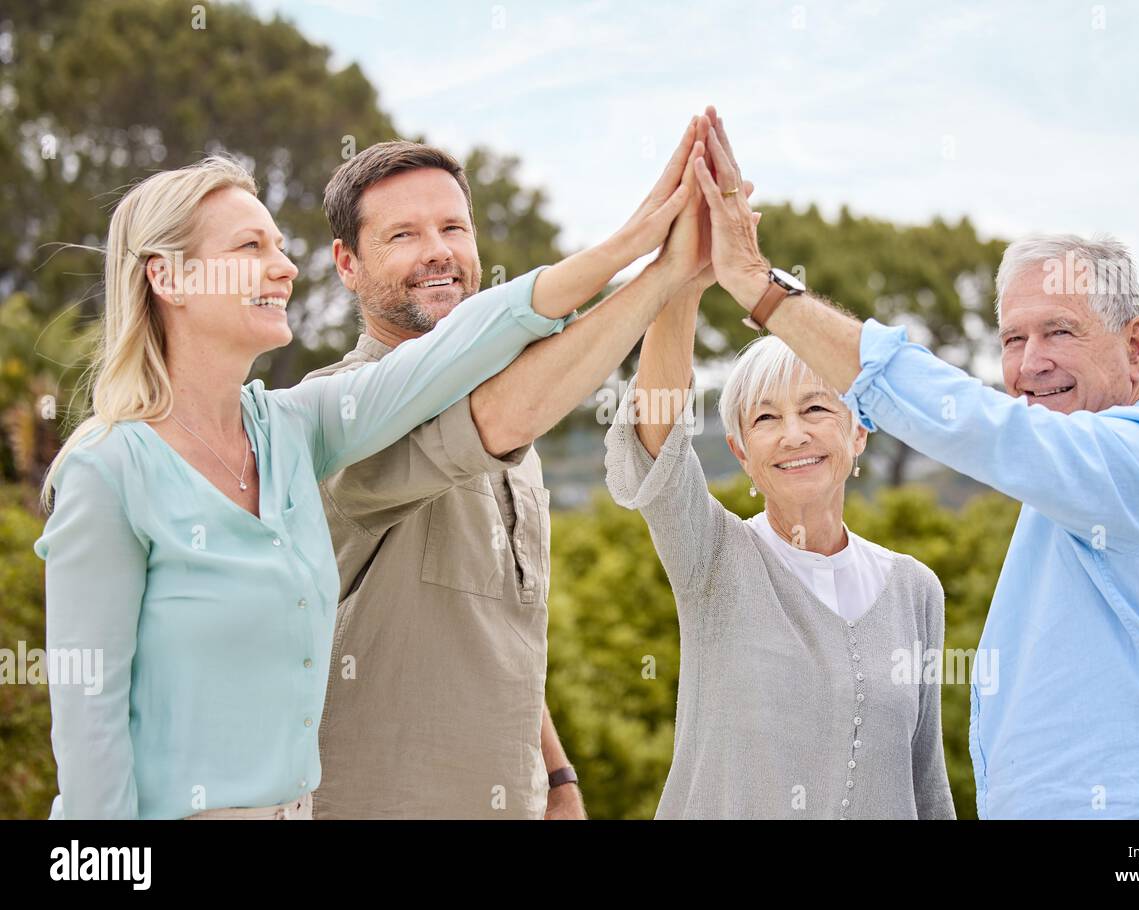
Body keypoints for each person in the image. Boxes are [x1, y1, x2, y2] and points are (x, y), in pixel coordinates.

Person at [34, 151, 683, 819]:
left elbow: (461, 346)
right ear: (167, 278)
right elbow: (90, 742)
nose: (285, 267)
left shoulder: (292, 432)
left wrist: (645, 254)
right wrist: (655, 263)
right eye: (251, 246)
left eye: (280, 246)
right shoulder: (107, 475)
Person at [691, 106, 1139, 819]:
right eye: (1013, 339)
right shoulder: (1073, 492)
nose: (1030, 364)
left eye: (1059, 331)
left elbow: (985, 428)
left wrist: (760, 286)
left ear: (1136, 347)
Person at [307, 121, 732, 819]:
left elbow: (491, 628)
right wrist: (657, 270)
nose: (438, 252)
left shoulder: (515, 440)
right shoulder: (335, 419)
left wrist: (556, 777)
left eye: (453, 227)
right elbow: (504, 413)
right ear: (347, 264)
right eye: (403, 235)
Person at [602, 118, 955, 819]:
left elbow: (927, 783)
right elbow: (658, 436)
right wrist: (680, 284)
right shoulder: (714, 560)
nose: (793, 434)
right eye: (765, 418)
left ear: (859, 433)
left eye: (817, 409)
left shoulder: (916, 591)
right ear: (742, 454)